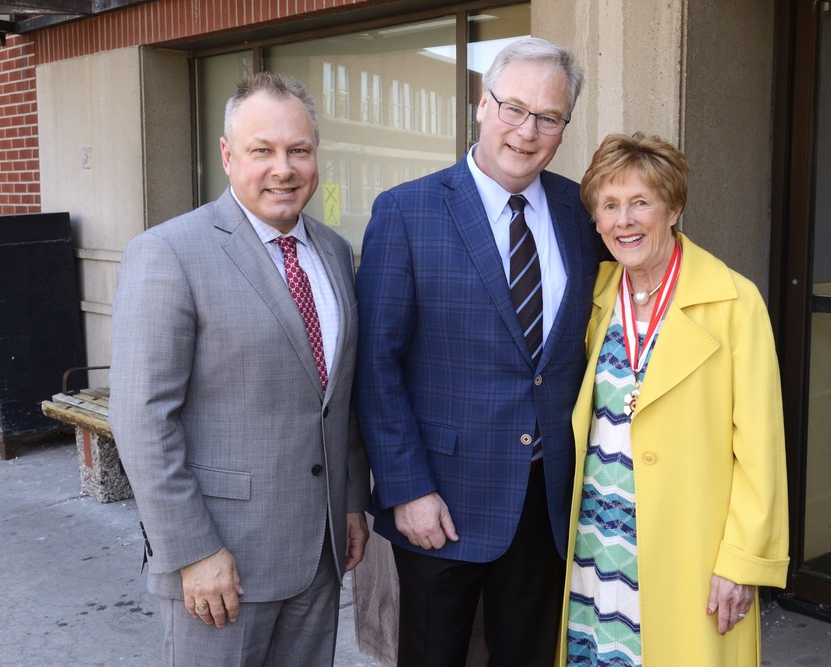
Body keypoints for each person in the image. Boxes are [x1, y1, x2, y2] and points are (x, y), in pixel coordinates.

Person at [355, 38, 603, 666]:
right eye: (513, 107)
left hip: (546, 499)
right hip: (442, 500)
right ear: (481, 104)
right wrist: (407, 488)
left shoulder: (581, 213)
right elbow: (376, 366)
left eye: (549, 117)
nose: (527, 131)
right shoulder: (407, 211)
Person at [109, 72, 370, 666]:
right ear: (228, 156)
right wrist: (192, 551)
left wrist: (352, 501)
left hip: (320, 551)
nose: (284, 168)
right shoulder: (169, 252)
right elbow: (143, 418)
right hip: (222, 563)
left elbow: (339, 393)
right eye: (263, 151)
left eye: (299, 150)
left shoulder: (334, 251)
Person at [560, 133, 789, 666]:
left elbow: (761, 445)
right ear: (595, 220)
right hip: (597, 542)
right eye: (610, 205)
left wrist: (741, 561)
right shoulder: (592, 293)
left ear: (674, 207)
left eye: (641, 202)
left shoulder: (734, 300)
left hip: (691, 550)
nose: (625, 220)